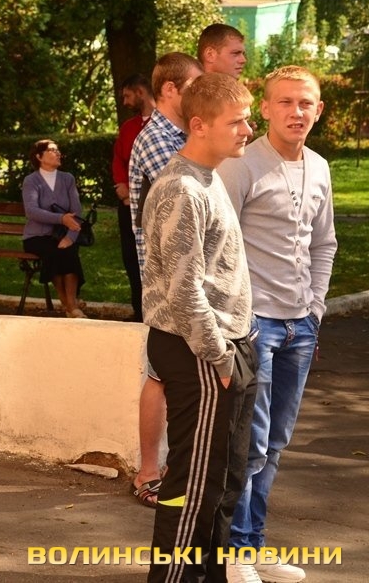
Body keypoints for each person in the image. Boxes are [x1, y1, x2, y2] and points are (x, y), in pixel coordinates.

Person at [219, 66, 336, 583]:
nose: (296, 112)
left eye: (305, 103)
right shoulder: (242, 164)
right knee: (251, 442)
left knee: (276, 443)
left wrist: (316, 308)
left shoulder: (320, 167)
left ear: (318, 110)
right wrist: (236, 318)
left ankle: (254, 543)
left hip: (300, 327)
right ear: (264, 108)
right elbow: (218, 245)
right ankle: (236, 552)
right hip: (255, 324)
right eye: (284, 102)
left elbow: (324, 243)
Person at [142, 72, 258, 583]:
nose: (247, 130)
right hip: (201, 352)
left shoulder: (209, 178)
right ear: (198, 125)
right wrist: (221, 356)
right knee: (193, 485)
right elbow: (184, 290)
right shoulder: (181, 188)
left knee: (225, 480)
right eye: (236, 122)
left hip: (227, 346)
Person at [127, 52, 204, 507]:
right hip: (165, 283)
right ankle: (148, 473)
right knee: (159, 376)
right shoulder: (157, 139)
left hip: (180, 279)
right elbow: (188, 198)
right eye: (193, 85)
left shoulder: (177, 135)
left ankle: (172, 470)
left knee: (172, 376)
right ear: (170, 89)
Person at [22, 139, 88, 318]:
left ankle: (70, 305)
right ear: (39, 156)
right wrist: (61, 219)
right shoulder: (31, 181)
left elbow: (76, 212)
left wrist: (70, 237)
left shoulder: (67, 179)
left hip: (64, 234)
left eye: (58, 150)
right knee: (54, 252)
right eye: (52, 150)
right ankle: (70, 305)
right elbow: (31, 211)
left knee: (69, 251)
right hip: (37, 237)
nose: (58, 153)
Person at [112, 74, 155, 322]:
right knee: (131, 257)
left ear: (140, 92)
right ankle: (139, 311)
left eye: (128, 96)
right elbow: (118, 159)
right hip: (127, 204)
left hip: (152, 204)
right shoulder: (128, 127)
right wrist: (122, 186)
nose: (125, 102)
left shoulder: (167, 126)